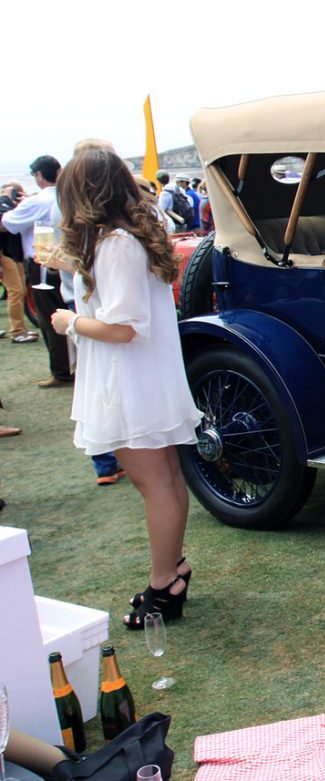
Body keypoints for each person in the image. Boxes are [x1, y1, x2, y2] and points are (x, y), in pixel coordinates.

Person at [47, 146, 202, 628]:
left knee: (155, 483)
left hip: (129, 377)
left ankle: (163, 583)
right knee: (167, 481)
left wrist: (70, 321)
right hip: (144, 375)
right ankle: (171, 571)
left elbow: (122, 327)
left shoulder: (115, 244)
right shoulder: (133, 235)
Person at [2, 155, 72, 384]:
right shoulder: (67, 196)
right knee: (72, 312)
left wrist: (5, 200)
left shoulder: (36, 201)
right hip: (70, 262)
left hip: (44, 263)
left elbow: (6, 224)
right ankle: (77, 367)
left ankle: (60, 372)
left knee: (50, 318)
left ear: (39, 176)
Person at [0, 180, 34, 341]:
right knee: (16, 291)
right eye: (14, 192)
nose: (16, 195)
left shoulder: (18, 208)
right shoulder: (3, 206)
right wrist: (5, 199)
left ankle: (19, 329)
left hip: (13, 254)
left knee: (20, 290)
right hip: (5, 255)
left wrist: (26, 200)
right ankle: (17, 331)